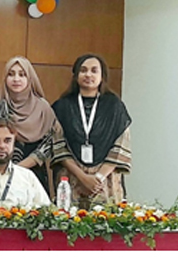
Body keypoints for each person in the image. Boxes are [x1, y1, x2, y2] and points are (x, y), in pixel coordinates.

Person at [51, 53, 132, 208]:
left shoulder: (115, 106)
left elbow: (121, 145)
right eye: (83, 70)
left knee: (105, 221)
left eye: (94, 70)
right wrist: (83, 177)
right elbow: (58, 146)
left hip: (105, 182)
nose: (88, 74)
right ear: (76, 75)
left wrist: (98, 178)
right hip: (72, 179)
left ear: (102, 76)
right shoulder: (62, 107)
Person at [0, 56, 60, 195]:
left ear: (30, 78)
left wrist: (18, 168)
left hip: (34, 173)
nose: (16, 79)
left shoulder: (43, 108)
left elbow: (50, 142)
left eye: (22, 75)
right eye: (11, 74)